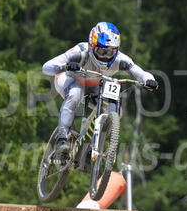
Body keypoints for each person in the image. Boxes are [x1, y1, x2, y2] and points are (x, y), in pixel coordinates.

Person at [41, 22, 157, 157]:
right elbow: (47, 67)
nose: (105, 56)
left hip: (94, 84)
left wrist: (149, 80)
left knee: (115, 110)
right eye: (101, 51)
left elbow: (140, 72)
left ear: (116, 50)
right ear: (92, 46)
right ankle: (62, 139)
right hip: (69, 79)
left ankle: (93, 144)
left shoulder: (121, 59)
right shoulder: (80, 52)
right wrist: (65, 66)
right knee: (75, 93)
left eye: (109, 52)